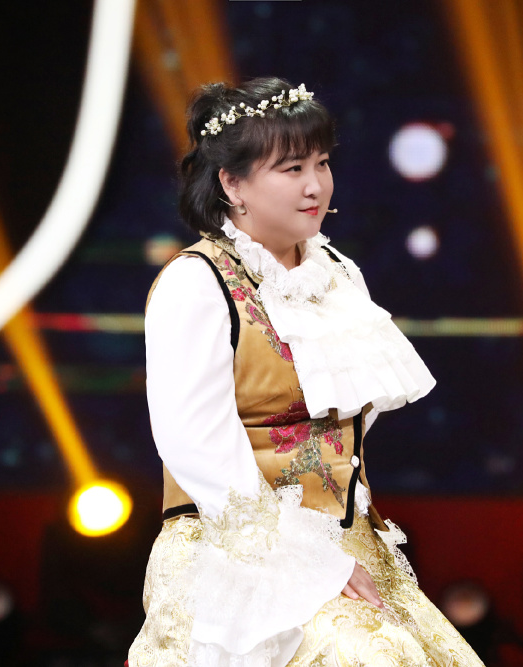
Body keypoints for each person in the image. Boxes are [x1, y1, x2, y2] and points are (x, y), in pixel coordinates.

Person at [129, 77, 484, 667]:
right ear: (232, 183)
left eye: (321, 163)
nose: (315, 184)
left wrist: (341, 547)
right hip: (235, 551)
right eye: (292, 168)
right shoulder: (196, 282)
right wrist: (309, 562)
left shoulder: (337, 274)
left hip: (347, 546)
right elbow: (194, 446)